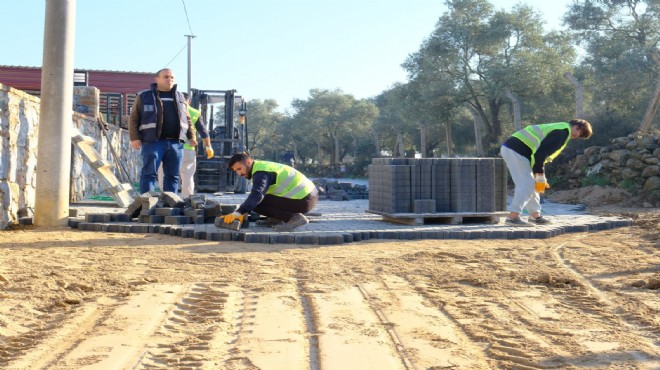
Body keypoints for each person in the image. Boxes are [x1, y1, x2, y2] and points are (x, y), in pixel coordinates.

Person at [500, 119, 593, 227]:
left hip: (516, 151)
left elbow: (538, 153)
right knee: (526, 185)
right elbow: (540, 154)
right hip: (516, 151)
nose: (577, 136)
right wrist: (540, 175)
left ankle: (535, 216)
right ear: (577, 127)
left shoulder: (560, 128)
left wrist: (538, 175)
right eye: (580, 133)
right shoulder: (562, 133)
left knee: (531, 185)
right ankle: (513, 218)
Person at [129, 68, 196, 194]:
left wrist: (192, 136)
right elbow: (134, 118)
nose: (169, 80)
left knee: (173, 176)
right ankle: (147, 204)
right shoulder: (144, 96)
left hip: (176, 143)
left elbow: (187, 119)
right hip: (153, 142)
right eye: (166, 77)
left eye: (172, 78)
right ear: (157, 79)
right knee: (149, 174)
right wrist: (134, 138)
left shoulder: (180, 97)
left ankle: (169, 205)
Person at [223, 152, 318, 231]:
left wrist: (239, 212)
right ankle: (276, 218)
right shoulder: (260, 167)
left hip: (304, 199)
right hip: (308, 197)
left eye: (239, 169)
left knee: (256, 203)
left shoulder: (261, 172)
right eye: (236, 171)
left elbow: (257, 194)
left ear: (248, 162)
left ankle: (294, 218)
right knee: (257, 201)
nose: (239, 174)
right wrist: (244, 211)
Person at [157, 92, 214, 197]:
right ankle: (187, 200)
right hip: (188, 150)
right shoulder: (194, 112)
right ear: (189, 101)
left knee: (164, 173)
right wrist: (208, 146)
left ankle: (166, 198)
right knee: (187, 176)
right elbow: (203, 132)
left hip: (170, 148)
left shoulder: (166, 108)